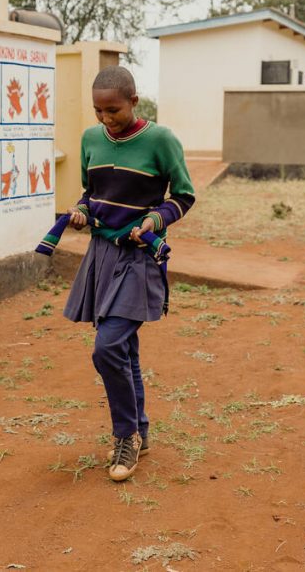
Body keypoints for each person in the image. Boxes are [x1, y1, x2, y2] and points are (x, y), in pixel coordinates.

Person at [63, 66, 195, 482]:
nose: (106, 119)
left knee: (107, 347)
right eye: (99, 111)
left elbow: (184, 196)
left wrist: (156, 219)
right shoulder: (90, 139)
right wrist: (82, 212)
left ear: (134, 102)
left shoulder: (161, 140)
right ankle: (140, 429)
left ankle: (125, 437)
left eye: (114, 110)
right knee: (122, 349)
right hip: (102, 255)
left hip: (138, 257)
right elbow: (91, 193)